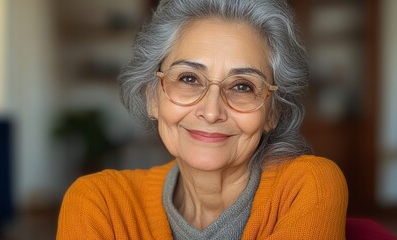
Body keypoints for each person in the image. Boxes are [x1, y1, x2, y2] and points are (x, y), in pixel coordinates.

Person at [57, 0, 348, 239]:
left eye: (243, 86)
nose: (211, 111)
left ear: (273, 112)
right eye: (188, 78)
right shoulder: (100, 203)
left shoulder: (308, 186)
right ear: (152, 98)